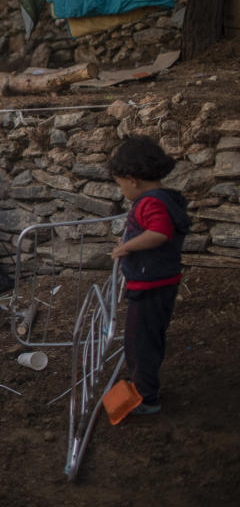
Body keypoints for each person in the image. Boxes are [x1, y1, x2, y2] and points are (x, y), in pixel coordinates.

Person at [109, 136, 191, 415]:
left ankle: (146, 398)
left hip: (150, 284)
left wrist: (126, 248)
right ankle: (144, 388)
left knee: (139, 343)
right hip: (161, 282)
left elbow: (159, 233)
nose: (122, 192)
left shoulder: (149, 203)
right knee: (148, 337)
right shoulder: (166, 198)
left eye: (121, 186)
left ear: (132, 180)